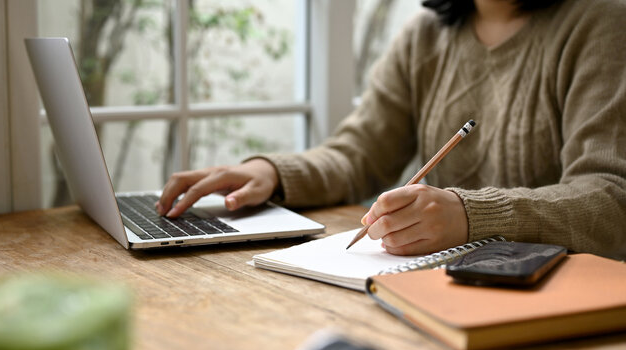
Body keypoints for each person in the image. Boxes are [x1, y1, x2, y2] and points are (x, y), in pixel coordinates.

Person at [156, 0, 626, 260]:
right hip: (434, 284)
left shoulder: (603, 21)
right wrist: (272, 172)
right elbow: (358, 153)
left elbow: (611, 198)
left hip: (555, 303)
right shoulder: (425, 33)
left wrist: (470, 214)